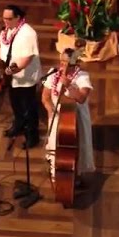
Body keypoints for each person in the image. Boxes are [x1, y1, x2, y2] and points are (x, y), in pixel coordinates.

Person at [43, 48, 94, 191]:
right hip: (56, 116)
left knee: (75, 147)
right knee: (55, 144)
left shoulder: (83, 76)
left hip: (74, 119)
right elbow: (45, 96)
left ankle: (74, 174)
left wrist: (69, 86)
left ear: (75, 64)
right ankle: (55, 173)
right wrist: (49, 108)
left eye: (66, 63)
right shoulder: (53, 74)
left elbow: (82, 98)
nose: (63, 65)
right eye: (62, 61)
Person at [0, 4, 41, 146]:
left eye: (9, 19)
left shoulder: (28, 34)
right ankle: (19, 124)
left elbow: (26, 59)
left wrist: (10, 71)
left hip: (25, 77)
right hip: (11, 76)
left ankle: (33, 135)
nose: (5, 22)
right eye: (4, 18)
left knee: (29, 106)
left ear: (18, 18)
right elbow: (3, 47)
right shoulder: (7, 31)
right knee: (15, 102)